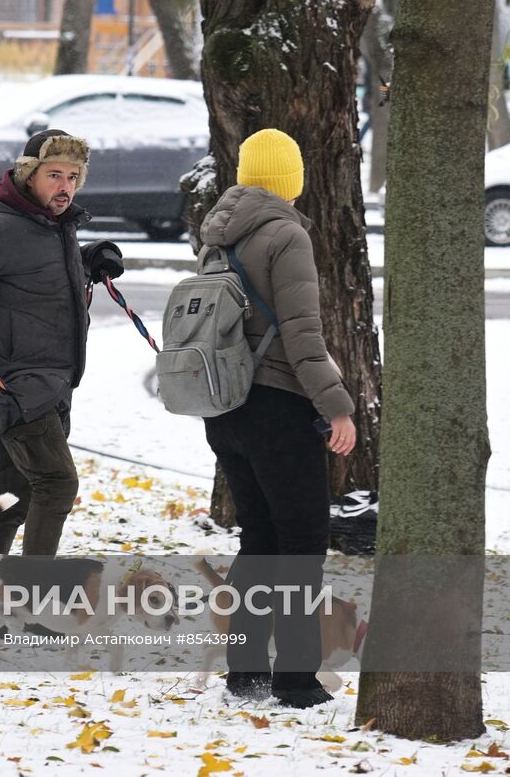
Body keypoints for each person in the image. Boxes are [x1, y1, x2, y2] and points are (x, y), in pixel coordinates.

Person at [197, 127, 357, 709]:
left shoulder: (217, 233)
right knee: (302, 540)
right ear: (291, 178)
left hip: (226, 408)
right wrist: (336, 406)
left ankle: (245, 670)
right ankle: (295, 677)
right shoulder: (286, 234)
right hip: (277, 407)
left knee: (259, 537)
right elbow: (302, 335)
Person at [0, 129, 123, 556]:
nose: (65, 187)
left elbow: (36, 273)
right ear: (28, 174)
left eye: (73, 177)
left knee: (12, 500)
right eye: (55, 175)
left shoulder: (50, 225)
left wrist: (90, 259)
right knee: (56, 483)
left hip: (50, 383)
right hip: (13, 386)